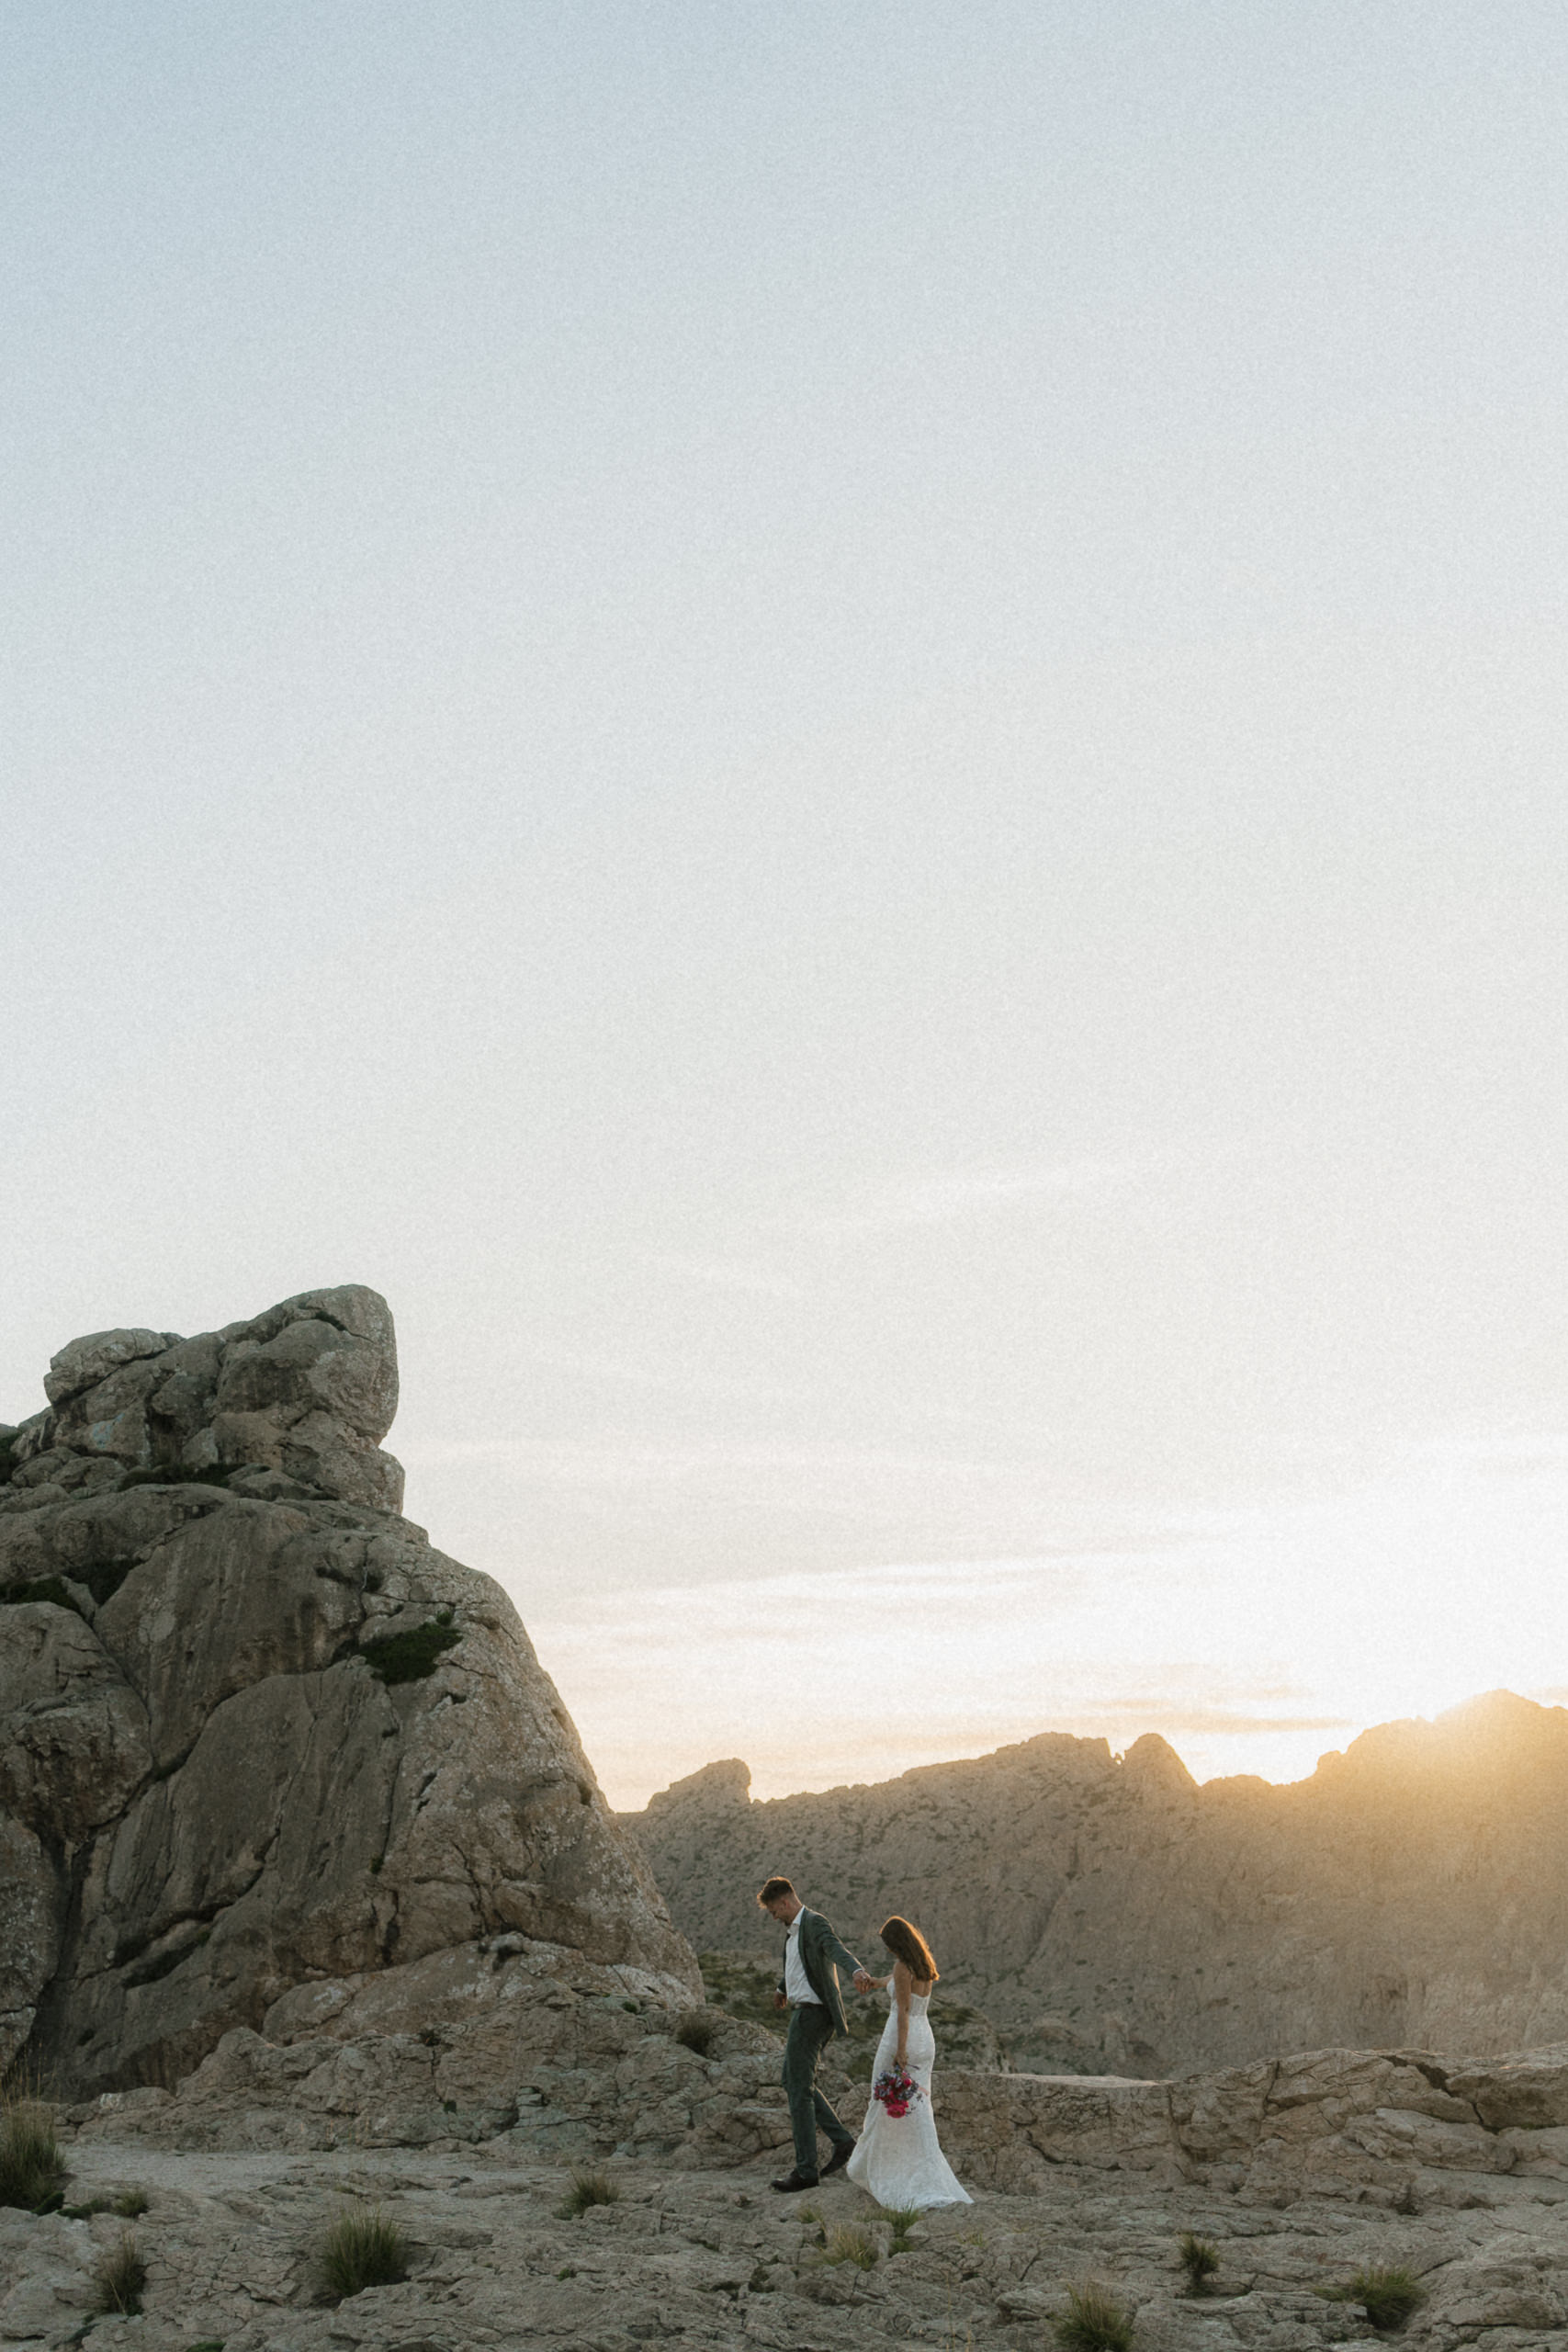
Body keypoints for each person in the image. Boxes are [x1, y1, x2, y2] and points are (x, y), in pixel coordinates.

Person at [845, 1914, 972, 2210]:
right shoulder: (922, 1965)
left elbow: (902, 2011)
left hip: (902, 2038)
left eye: (889, 1945)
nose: (888, 1951)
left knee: (884, 2102)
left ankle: (886, 2169)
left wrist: (899, 2052)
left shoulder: (902, 1967)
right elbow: (897, 1984)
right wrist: (876, 1982)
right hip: (925, 2040)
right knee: (917, 2109)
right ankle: (918, 2166)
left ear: (896, 1944)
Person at [758, 1875, 874, 2192]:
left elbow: (835, 1949)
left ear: (784, 1902)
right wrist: (783, 1988)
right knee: (793, 2081)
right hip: (802, 2011)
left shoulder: (814, 1923)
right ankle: (843, 2142)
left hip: (814, 2015)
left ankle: (806, 2170)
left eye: (773, 1911)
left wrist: (857, 1970)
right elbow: (797, 1965)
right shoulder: (791, 1934)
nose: (773, 1917)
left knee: (797, 2089)